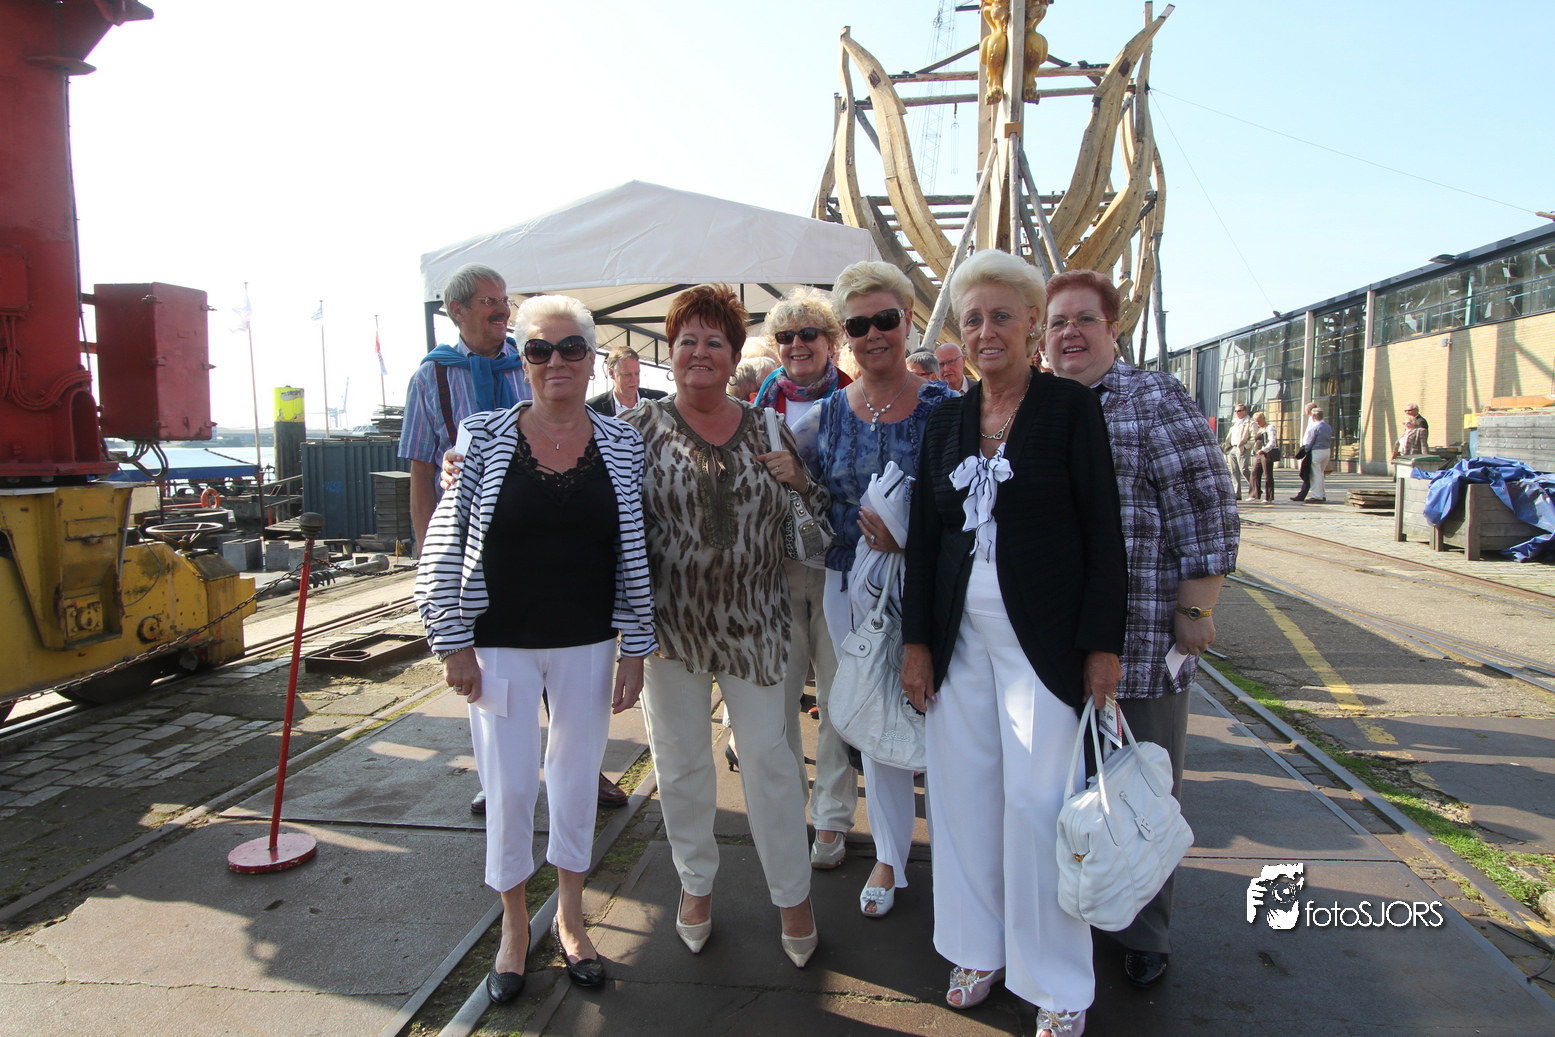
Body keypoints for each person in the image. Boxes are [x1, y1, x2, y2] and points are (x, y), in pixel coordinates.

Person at [900, 250, 1127, 1035]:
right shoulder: (945, 420)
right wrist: (916, 643)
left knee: (1037, 807)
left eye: (1002, 315)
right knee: (962, 799)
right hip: (958, 641)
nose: (985, 330)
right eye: (972, 319)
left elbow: (1103, 531)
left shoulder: (1069, 408)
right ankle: (975, 946)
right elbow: (924, 540)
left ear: (1032, 323)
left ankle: (1057, 981)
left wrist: (1100, 645)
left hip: (1045, 644)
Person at [414, 295, 656, 1002]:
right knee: (511, 785)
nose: (556, 361)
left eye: (570, 347)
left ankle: (571, 918)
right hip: (499, 645)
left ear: (592, 358)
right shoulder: (482, 436)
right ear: (522, 361)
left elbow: (634, 549)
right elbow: (445, 541)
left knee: (576, 780)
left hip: (588, 640)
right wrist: (452, 641)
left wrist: (635, 646)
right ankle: (515, 926)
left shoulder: (622, 443)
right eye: (539, 349)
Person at [1036, 268, 1238, 992]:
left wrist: (1196, 607)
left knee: (1140, 785)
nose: (1069, 333)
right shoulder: (1036, 404)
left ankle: (1142, 930)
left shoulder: (1153, 399)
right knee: (1066, 789)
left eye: (1084, 319)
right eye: (1057, 322)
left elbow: (1206, 504)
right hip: (1051, 643)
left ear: (1113, 329)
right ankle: (1074, 911)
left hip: (1142, 637)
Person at [626, 283, 827, 968]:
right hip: (670, 630)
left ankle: (793, 895)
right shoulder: (636, 429)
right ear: (671, 352)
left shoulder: (768, 426)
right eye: (687, 340)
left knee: (771, 759)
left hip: (758, 622)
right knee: (680, 762)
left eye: (715, 341)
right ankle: (695, 884)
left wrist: (800, 480)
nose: (700, 352)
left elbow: (816, 518)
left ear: (734, 354)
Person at [404, 263, 628, 814]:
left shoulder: (527, 353)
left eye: (503, 299)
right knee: (502, 719)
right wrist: (432, 562)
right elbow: (421, 468)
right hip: (486, 550)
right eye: (488, 301)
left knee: (573, 706)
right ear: (456, 311)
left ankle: (583, 773)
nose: (501, 308)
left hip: (561, 552)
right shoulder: (433, 376)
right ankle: (502, 783)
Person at [791, 260, 954, 921]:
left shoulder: (947, 408)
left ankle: (958, 854)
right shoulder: (827, 413)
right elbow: (797, 488)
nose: (872, 334)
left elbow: (969, 507)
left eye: (884, 319)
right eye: (857, 325)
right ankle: (889, 854)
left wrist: (908, 538)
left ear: (908, 319)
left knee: (948, 717)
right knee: (879, 716)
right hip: (849, 591)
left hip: (934, 587)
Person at [751, 288, 856, 871]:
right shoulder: (760, 405)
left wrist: (801, 480)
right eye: (786, 336)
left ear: (831, 342)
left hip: (837, 567)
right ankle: (791, 807)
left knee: (837, 698)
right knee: (780, 696)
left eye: (808, 334)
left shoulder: (853, 399)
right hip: (776, 569)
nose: (796, 345)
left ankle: (833, 817)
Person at [587, 345, 668, 416]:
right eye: (627, 374)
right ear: (611, 373)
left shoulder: (660, 401)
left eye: (637, 373)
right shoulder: (594, 408)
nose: (634, 380)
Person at [1292, 407, 1334, 503]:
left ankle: (1317, 496)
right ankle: (1322, 494)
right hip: (1326, 450)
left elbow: (1311, 441)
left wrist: (1305, 450)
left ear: (1313, 416)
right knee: (1321, 473)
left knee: (1315, 474)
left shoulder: (1315, 427)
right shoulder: (1328, 427)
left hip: (1317, 451)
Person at [1224, 403, 1255, 501]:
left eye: (1239, 411)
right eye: (1236, 411)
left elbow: (1253, 437)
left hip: (1242, 448)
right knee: (1234, 471)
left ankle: (1255, 487)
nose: (1237, 413)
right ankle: (1237, 493)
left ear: (1245, 411)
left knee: (1244, 469)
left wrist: (1246, 446)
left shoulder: (1250, 422)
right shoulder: (1235, 422)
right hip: (1232, 448)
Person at [1249, 411, 1277, 502]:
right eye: (1256, 421)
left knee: (1267, 474)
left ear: (1263, 419)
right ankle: (1254, 494)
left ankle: (1269, 497)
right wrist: (1255, 449)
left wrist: (1264, 450)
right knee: (1255, 473)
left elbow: (1272, 441)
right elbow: (1257, 441)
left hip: (1266, 453)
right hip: (1258, 453)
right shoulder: (1259, 429)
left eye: (1259, 421)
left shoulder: (1270, 427)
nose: (1257, 423)